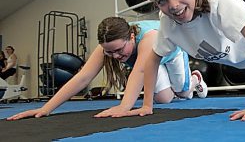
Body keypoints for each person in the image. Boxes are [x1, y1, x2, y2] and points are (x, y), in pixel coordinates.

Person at [7, 17, 207, 121]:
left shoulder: (149, 38)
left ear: (131, 36)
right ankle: (177, 88)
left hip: (171, 54)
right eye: (110, 53)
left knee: (183, 92)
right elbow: (83, 77)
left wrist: (125, 107)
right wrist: (45, 108)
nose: (117, 57)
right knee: (164, 99)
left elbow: (139, 71)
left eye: (119, 50)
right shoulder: (108, 47)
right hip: (150, 63)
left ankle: (196, 79)